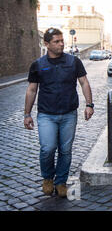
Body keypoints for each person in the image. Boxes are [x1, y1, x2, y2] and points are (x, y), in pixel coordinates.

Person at [23, 28, 94, 197]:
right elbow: (32, 90)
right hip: (46, 114)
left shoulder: (73, 62)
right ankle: (48, 177)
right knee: (47, 148)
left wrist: (89, 104)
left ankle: (61, 181)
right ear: (46, 44)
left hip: (69, 113)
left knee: (66, 150)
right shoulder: (38, 65)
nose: (61, 44)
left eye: (62, 40)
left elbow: (84, 82)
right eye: (56, 41)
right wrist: (27, 114)